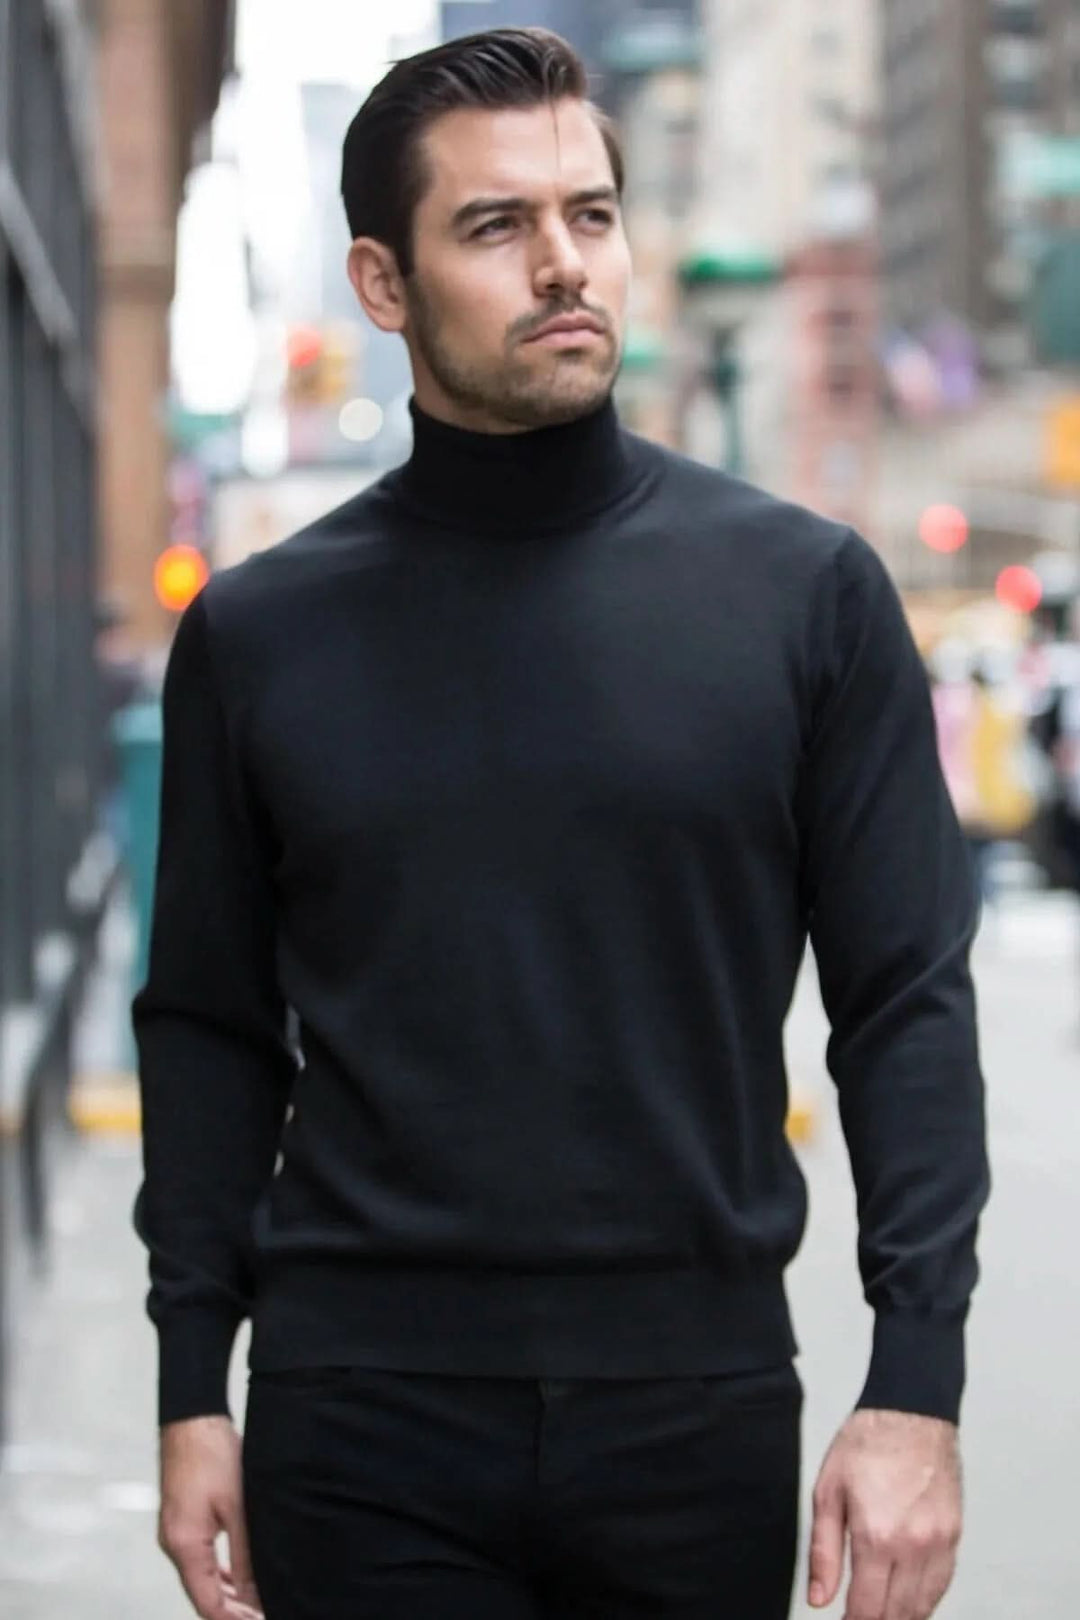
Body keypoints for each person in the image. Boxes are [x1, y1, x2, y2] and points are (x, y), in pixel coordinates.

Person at [133, 29, 990, 1620]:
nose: (562, 263)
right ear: (382, 285)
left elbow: (907, 1007)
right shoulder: (260, 636)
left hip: (696, 1411)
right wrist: (193, 1386)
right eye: (494, 225)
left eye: (589, 214)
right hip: (359, 1415)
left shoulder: (807, 597)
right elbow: (207, 1027)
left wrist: (916, 1386)